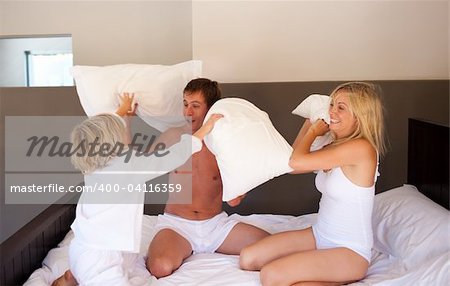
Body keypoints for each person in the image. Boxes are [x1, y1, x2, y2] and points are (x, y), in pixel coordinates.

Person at [52, 93, 223, 285]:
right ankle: (79, 276)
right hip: (103, 258)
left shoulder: (92, 164)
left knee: (81, 274)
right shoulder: (128, 166)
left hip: (81, 247)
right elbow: (173, 156)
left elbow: (102, 128)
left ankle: (71, 278)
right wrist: (204, 130)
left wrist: (123, 111)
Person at [239, 82, 386, 286]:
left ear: (361, 117)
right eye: (332, 104)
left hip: (349, 251)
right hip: (320, 235)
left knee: (271, 276)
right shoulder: (334, 145)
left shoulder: (362, 149)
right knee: (248, 258)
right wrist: (309, 123)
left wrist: (313, 133)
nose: (332, 111)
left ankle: (339, 277)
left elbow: (296, 161)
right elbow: (293, 166)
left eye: (341, 108)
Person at [146, 78, 269, 278]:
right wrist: (126, 119)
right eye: (185, 104)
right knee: (160, 267)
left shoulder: (224, 143)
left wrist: (244, 184)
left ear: (211, 108)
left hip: (215, 225)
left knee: (271, 247)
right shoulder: (172, 137)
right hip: (177, 224)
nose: (188, 112)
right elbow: (138, 164)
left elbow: (234, 201)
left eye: (195, 106)